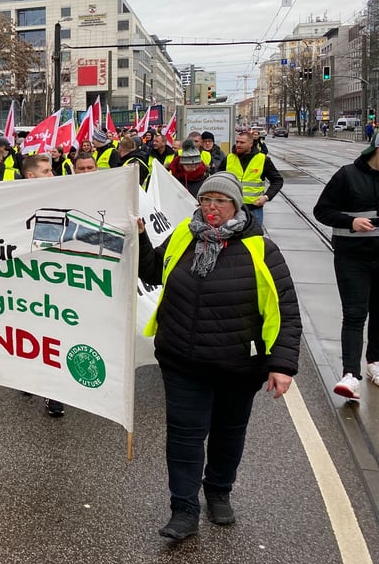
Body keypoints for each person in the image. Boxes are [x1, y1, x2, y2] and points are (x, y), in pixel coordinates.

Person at [137, 171, 301, 540]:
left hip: (238, 365)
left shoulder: (261, 249)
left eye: (221, 201)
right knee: (184, 435)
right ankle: (184, 508)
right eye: (206, 199)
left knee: (228, 432)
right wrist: (141, 237)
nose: (212, 207)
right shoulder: (184, 234)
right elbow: (152, 271)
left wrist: (283, 365)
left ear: (235, 206)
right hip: (182, 359)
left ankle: (219, 491)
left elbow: (286, 311)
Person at [314, 132, 379, 399]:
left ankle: (375, 362)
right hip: (352, 258)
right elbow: (322, 211)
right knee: (355, 314)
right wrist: (350, 223)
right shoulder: (347, 175)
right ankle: (350, 374)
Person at [225, 131, 283, 226]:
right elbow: (217, 178)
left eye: (242, 142)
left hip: (254, 209)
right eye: (237, 142)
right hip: (231, 208)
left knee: (253, 239)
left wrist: (266, 197)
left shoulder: (263, 159)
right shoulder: (229, 158)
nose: (238, 145)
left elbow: (277, 181)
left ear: (251, 144)